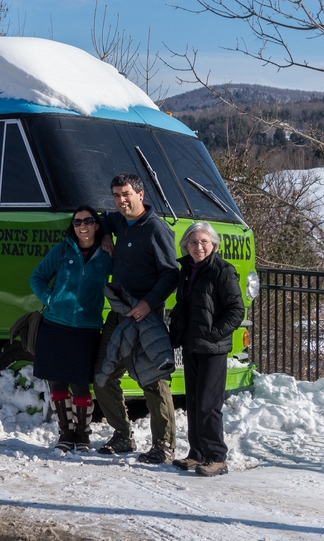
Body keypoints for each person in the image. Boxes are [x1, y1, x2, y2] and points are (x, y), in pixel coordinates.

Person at [94, 173, 179, 463]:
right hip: (119, 314)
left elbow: (170, 275)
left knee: (153, 381)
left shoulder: (156, 229)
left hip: (146, 317)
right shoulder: (120, 221)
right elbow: (102, 218)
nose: (121, 200)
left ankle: (164, 445)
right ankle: (122, 435)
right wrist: (105, 233)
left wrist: (148, 304)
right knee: (102, 376)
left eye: (126, 194)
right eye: (117, 195)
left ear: (140, 195)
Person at [29, 206, 113, 452]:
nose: (82, 226)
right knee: (57, 385)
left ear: (97, 225)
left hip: (86, 329)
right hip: (55, 326)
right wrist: (51, 299)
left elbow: (122, 281)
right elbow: (37, 278)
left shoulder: (107, 254)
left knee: (80, 386)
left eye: (88, 221)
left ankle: (82, 435)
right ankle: (65, 434)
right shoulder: (63, 250)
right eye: (77, 222)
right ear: (73, 226)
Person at [169, 221, 245, 477]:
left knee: (208, 404)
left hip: (213, 347)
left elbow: (236, 310)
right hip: (192, 344)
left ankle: (217, 457)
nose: (198, 246)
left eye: (204, 242)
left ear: (213, 244)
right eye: (193, 242)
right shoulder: (187, 270)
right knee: (192, 401)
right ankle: (197, 453)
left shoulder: (223, 270)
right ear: (186, 245)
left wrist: (214, 334)